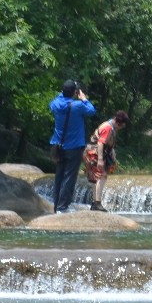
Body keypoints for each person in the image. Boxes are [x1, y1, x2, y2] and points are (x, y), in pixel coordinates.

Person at [49, 82, 98, 214]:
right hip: (74, 147)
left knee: (59, 176)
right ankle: (63, 207)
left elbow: (58, 99)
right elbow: (92, 111)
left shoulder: (55, 104)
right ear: (75, 92)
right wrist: (83, 98)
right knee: (69, 177)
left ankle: (56, 207)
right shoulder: (78, 106)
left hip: (58, 146)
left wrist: (66, 92)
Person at [85, 110, 126, 210]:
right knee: (101, 176)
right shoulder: (108, 127)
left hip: (95, 152)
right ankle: (97, 203)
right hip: (95, 153)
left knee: (96, 177)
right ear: (118, 122)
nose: (121, 128)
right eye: (122, 126)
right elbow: (100, 143)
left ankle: (95, 203)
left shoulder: (109, 125)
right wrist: (99, 160)